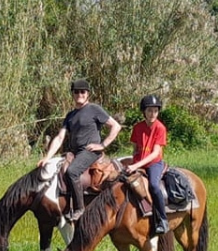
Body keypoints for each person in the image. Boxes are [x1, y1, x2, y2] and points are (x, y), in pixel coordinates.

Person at [41, 79, 122, 222]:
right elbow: (60, 137)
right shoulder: (70, 115)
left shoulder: (94, 109)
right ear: (73, 94)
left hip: (90, 151)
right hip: (74, 152)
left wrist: (103, 145)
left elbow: (115, 126)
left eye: (82, 92)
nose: (80, 94)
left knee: (72, 171)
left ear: (88, 94)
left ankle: (80, 208)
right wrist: (47, 157)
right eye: (76, 92)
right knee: (57, 167)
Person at [124, 95, 170, 235]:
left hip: (153, 164)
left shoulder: (160, 128)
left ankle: (162, 219)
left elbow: (155, 153)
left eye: (155, 111)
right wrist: (132, 163)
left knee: (154, 186)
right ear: (144, 111)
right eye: (149, 110)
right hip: (138, 163)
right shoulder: (137, 127)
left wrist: (135, 166)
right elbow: (135, 148)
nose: (152, 114)